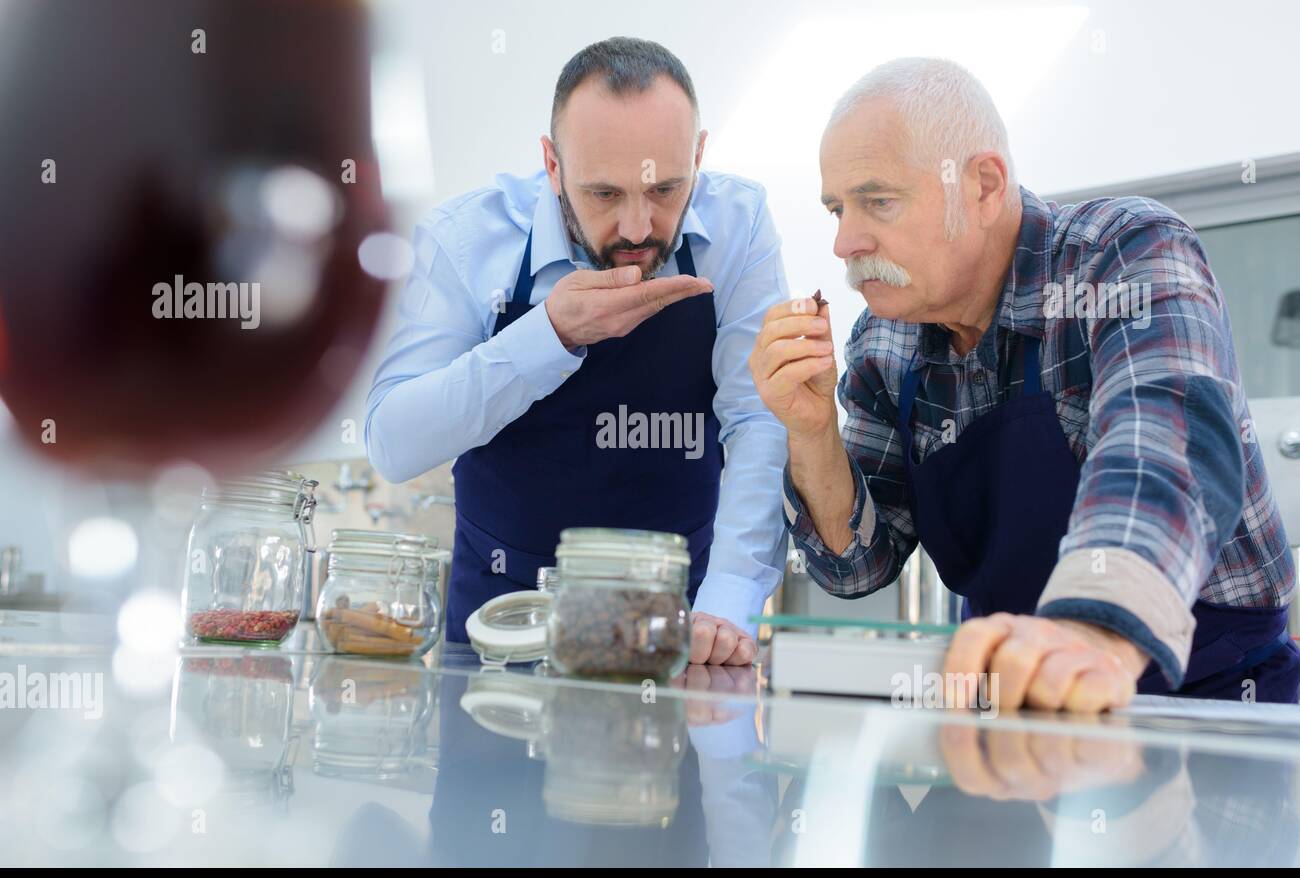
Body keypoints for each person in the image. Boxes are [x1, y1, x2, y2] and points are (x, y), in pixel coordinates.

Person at [751, 57, 1297, 711]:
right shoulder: (882, 342)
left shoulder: (1121, 254)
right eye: (837, 208)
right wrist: (811, 434)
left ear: (983, 185)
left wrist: (1092, 631)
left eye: (878, 201)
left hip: (1209, 697)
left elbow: (1164, 441)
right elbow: (857, 565)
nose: (844, 241)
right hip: (1013, 703)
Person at [366, 37, 790, 664]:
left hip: (681, 629)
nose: (640, 229)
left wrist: (727, 599)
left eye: (668, 189)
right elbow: (392, 443)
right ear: (553, 163)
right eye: (604, 195)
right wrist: (550, 335)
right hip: (500, 626)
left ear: (699, 154)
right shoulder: (464, 242)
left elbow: (756, 418)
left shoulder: (739, 223)